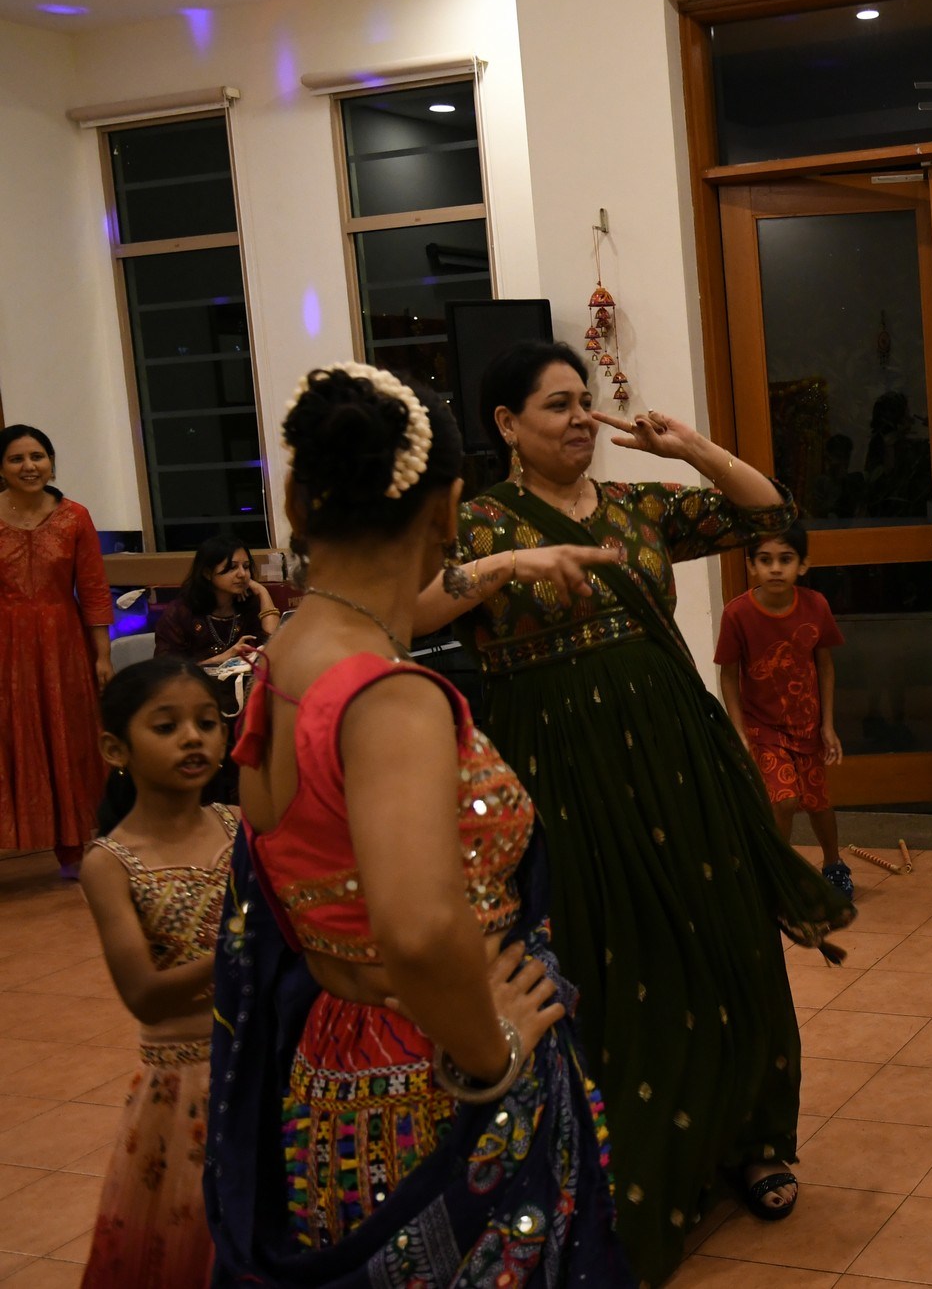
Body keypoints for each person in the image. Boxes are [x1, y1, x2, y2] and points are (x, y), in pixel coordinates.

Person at [412, 340, 854, 1282]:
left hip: (675, 758)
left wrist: (690, 448)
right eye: (558, 404)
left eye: (586, 401)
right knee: (608, 956)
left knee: (724, 938)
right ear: (506, 424)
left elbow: (770, 512)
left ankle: (754, 1139)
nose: (581, 417)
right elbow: (404, 613)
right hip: (559, 771)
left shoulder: (636, 507)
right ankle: (632, 1165)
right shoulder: (477, 524)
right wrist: (509, 564)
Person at [205, 362, 628, 1286]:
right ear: (448, 509)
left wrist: (505, 564)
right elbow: (422, 928)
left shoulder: (284, 655)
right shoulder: (389, 699)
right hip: (435, 1080)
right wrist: (492, 1054)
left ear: (297, 503)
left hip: (331, 1059)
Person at [78, 658, 235, 1289]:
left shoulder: (240, 827)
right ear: (115, 748)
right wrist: (239, 949)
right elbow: (143, 995)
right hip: (183, 1085)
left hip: (261, 1062)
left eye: (207, 723)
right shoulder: (110, 863)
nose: (193, 738)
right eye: (167, 727)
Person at [0, 423, 112, 876]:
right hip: (5, 644)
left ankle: (71, 846)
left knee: (67, 735)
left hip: (63, 644)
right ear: (1, 468)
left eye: (38, 456)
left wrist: (103, 656)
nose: (29, 466)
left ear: (51, 463)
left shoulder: (75, 517)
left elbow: (95, 591)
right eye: (17, 458)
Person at [715, 523, 850, 898]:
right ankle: (778, 873)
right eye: (765, 560)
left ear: (803, 565)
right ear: (751, 565)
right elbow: (728, 675)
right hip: (763, 728)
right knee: (784, 800)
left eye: (785, 559)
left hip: (808, 726)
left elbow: (825, 666)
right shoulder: (737, 614)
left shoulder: (816, 606)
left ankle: (834, 866)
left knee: (819, 804)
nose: (775, 568)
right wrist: (739, 731)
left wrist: (827, 725)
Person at [153, 535, 282, 668]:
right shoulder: (180, 612)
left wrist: (263, 592)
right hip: (198, 681)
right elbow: (166, 670)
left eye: (246, 566)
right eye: (232, 567)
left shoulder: (249, 605)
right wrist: (220, 659)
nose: (242, 574)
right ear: (207, 573)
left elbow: (274, 645)